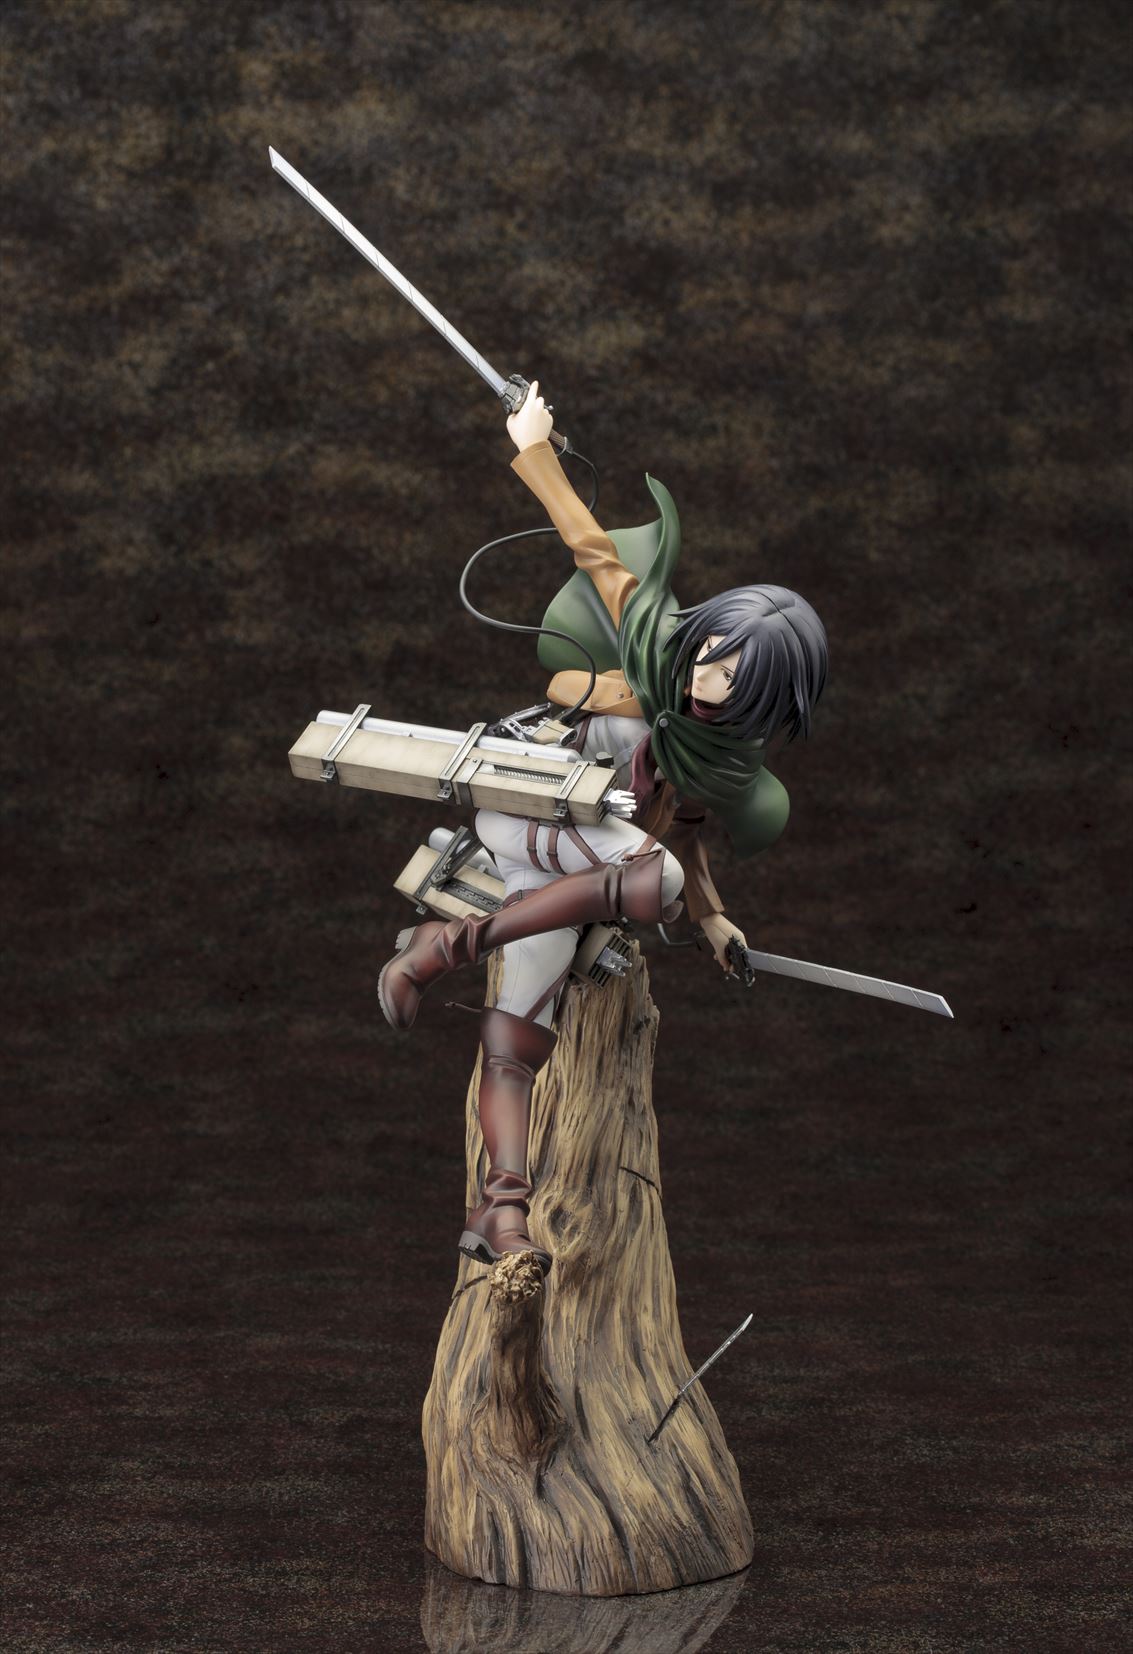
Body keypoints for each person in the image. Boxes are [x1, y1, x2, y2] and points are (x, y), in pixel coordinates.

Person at [378, 384, 828, 1275]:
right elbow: (588, 544)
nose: (707, 672)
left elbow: (681, 832)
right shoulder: (656, 641)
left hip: (577, 875)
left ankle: (499, 1214)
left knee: (517, 1035)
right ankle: (445, 946)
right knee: (653, 881)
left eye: (735, 671)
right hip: (527, 814)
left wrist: (713, 920)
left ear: (771, 692)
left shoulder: (723, 758)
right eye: (712, 651)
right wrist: (533, 447)